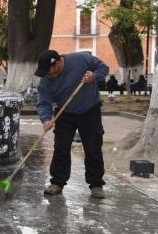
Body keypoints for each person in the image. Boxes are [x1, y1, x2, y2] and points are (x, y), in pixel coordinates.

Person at [35, 50, 109, 199]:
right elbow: (43, 102)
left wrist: (94, 76)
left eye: (49, 71)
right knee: (61, 147)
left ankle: (96, 184)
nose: (48, 75)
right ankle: (57, 182)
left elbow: (104, 68)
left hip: (90, 110)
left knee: (93, 146)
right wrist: (46, 120)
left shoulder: (82, 59)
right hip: (65, 113)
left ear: (57, 63)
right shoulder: (46, 80)